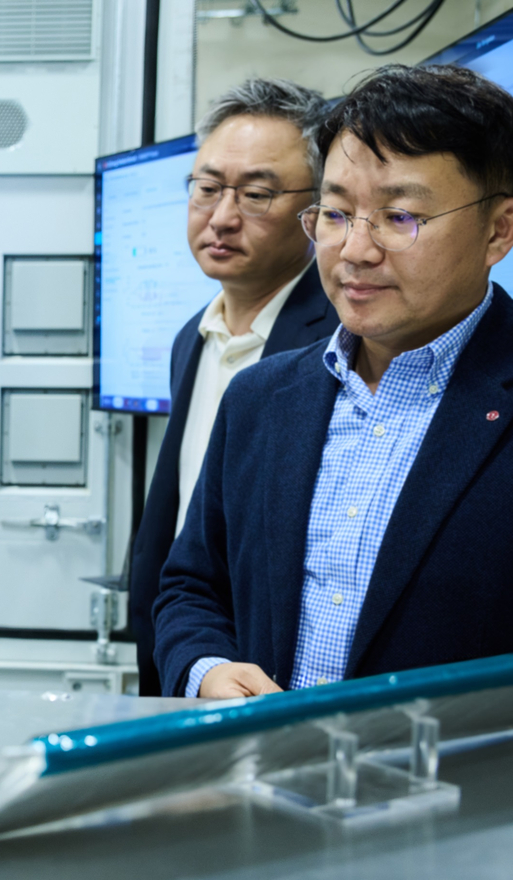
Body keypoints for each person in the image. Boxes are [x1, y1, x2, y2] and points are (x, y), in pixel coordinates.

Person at [154, 64, 513, 699]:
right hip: (268, 782)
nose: (355, 249)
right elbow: (191, 584)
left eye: (400, 217)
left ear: (498, 230)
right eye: (337, 213)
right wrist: (206, 666)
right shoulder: (262, 397)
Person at [129, 79, 340, 696]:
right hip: (191, 664)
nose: (221, 217)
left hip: (271, 687)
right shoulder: (191, 338)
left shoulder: (341, 346)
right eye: (207, 188)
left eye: (255, 194)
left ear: (319, 208)